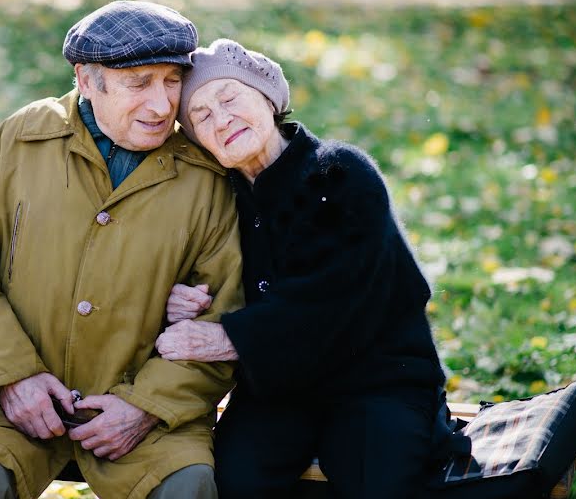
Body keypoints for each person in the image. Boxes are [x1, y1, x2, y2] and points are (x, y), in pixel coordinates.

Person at [0, 2, 244, 499]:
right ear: (87, 81)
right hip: (8, 402)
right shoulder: (21, 139)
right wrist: (13, 379)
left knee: (190, 488)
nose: (161, 106)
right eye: (140, 83)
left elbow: (227, 309)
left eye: (172, 81)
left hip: (151, 412)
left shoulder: (207, 171)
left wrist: (146, 405)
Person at [155, 39, 447, 498]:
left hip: (378, 377)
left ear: (268, 99)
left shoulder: (339, 173)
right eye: (201, 117)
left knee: (377, 481)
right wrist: (188, 298)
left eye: (230, 98)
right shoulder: (222, 199)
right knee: (235, 479)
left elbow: (338, 298)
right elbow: (213, 274)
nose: (222, 119)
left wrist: (226, 337)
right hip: (280, 386)